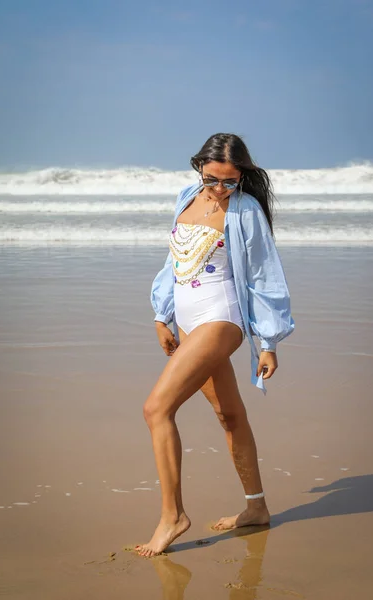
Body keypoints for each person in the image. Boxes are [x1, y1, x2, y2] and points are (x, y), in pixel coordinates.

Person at [135, 133, 294, 558]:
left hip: (221, 317)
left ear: (241, 177)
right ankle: (256, 508)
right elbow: (174, 262)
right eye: (213, 179)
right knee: (228, 414)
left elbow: (263, 276)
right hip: (187, 320)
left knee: (156, 408)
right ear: (198, 167)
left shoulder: (246, 211)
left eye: (230, 181)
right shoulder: (188, 195)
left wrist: (267, 341)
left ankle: (173, 516)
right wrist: (161, 314)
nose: (220, 189)